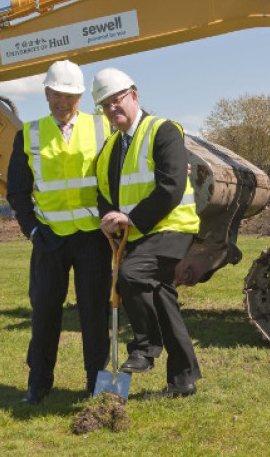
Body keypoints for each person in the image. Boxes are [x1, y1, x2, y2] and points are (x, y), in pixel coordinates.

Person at [6, 60, 112, 404]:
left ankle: (96, 384)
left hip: (92, 238)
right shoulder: (29, 134)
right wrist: (33, 231)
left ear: (81, 96)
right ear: (47, 94)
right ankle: (38, 383)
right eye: (56, 95)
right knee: (45, 312)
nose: (62, 102)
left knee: (94, 313)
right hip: (49, 239)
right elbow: (18, 190)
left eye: (69, 96)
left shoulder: (102, 128)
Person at [93, 67, 202, 398]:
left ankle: (144, 347)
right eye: (106, 105)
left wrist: (132, 220)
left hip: (171, 227)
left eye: (118, 100)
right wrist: (108, 218)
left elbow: (171, 186)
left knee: (131, 273)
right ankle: (183, 380)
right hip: (140, 234)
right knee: (162, 299)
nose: (113, 109)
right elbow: (105, 194)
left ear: (134, 96)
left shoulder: (163, 130)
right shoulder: (111, 148)